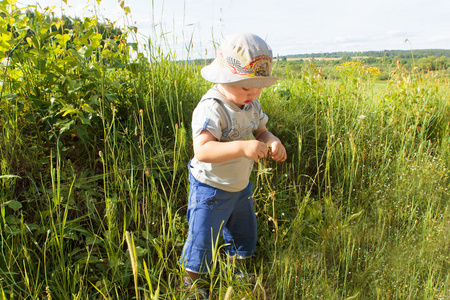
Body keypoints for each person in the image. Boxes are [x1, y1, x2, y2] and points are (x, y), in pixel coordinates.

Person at [180, 32, 287, 297]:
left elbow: (261, 130)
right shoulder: (212, 108)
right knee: (202, 238)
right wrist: (242, 147)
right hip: (211, 188)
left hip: (240, 186)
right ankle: (192, 283)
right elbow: (202, 150)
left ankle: (237, 272)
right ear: (223, 78)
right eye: (245, 86)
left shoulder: (250, 103)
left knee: (243, 233)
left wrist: (272, 140)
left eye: (258, 86)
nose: (252, 92)